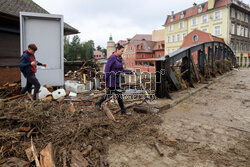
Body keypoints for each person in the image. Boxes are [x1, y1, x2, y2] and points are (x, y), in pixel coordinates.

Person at [95, 43, 132, 115]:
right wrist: (105, 78)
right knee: (119, 95)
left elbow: (122, 69)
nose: (122, 53)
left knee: (109, 94)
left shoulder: (120, 59)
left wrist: (130, 71)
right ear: (117, 50)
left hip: (117, 79)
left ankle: (99, 102)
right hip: (112, 79)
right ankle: (123, 110)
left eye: (123, 51)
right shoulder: (112, 57)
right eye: (121, 51)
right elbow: (107, 69)